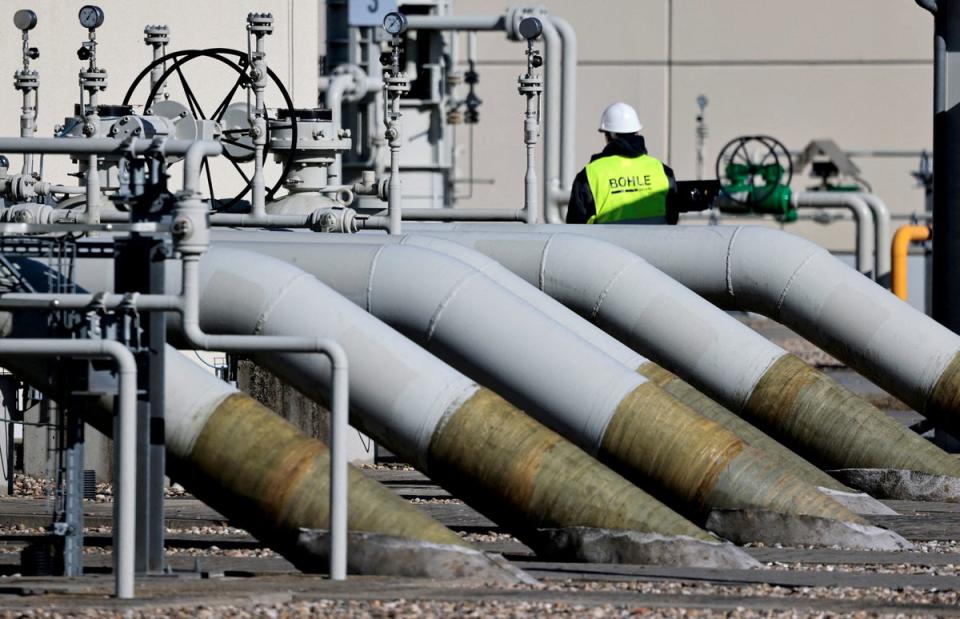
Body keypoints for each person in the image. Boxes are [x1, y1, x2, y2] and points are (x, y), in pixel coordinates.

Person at [566, 102, 678, 224]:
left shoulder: (590, 175)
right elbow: (673, 218)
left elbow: (574, 226)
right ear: (636, 132)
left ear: (610, 135)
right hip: (656, 243)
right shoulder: (662, 170)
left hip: (605, 243)